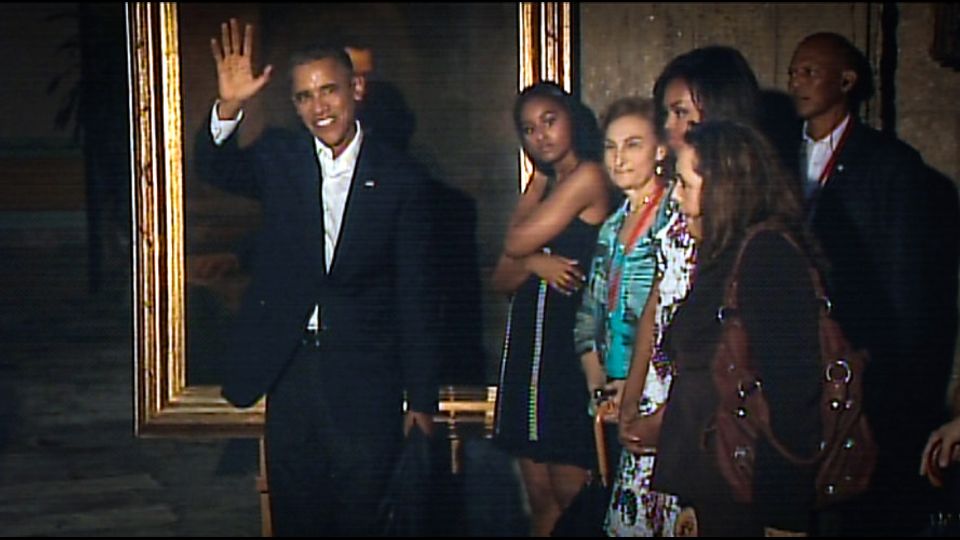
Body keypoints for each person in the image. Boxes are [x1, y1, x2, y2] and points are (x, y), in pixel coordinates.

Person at [194, 19, 439, 535]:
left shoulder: (402, 179)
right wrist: (230, 107)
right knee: (298, 514)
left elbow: (415, 297)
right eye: (305, 97)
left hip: (366, 379)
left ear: (356, 89)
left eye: (328, 90)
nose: (319, 107)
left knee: (362, 515)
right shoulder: (279, 157)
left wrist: (419, 399)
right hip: (292, 372)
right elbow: (215, 168)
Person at [788, 31, 959, 535]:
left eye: (810, 72)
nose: (797, 82)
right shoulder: (781, 156)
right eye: (794, 71)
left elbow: (908, 285)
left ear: (846, 81)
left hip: (867, 364)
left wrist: (884, 365)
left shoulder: (891, 164)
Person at [609, 45, 762, 536]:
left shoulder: (742, 210)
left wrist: (675, 420)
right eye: (667, 114)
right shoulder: (678, 197)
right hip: (660, 380)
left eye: (682, 113)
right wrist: (633, 396)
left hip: (702, 398)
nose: (670, 128)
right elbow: (656, 300)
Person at [652, 120, 823, 536]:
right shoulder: (723, 257)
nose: (675, 198)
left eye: (684, 183)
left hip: (754, 503)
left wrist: (783, 519)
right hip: (716, 493)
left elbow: (794, 395)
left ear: (724, 189)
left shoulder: (768, 257)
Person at [491, 81, 611, 537]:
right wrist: (537, 261)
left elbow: (515, 243)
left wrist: (528, 254)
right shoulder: (545, 187)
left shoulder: (590, 177)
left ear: (571, 119)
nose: (540, 135)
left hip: (567, 355)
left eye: (549, 120)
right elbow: (502, 278)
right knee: (541, 502)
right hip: (528, 358)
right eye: (528, 129)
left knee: (574, 502)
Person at [570, 97, 678, 536]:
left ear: (660, 150)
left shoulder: (675, 216)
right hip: (613, 402)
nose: (618, 157)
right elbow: (587, 317)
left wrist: (634, 392)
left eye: (633, 144)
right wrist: (601, 391)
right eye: (611, 146)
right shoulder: (612, 226)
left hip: (661, 397)